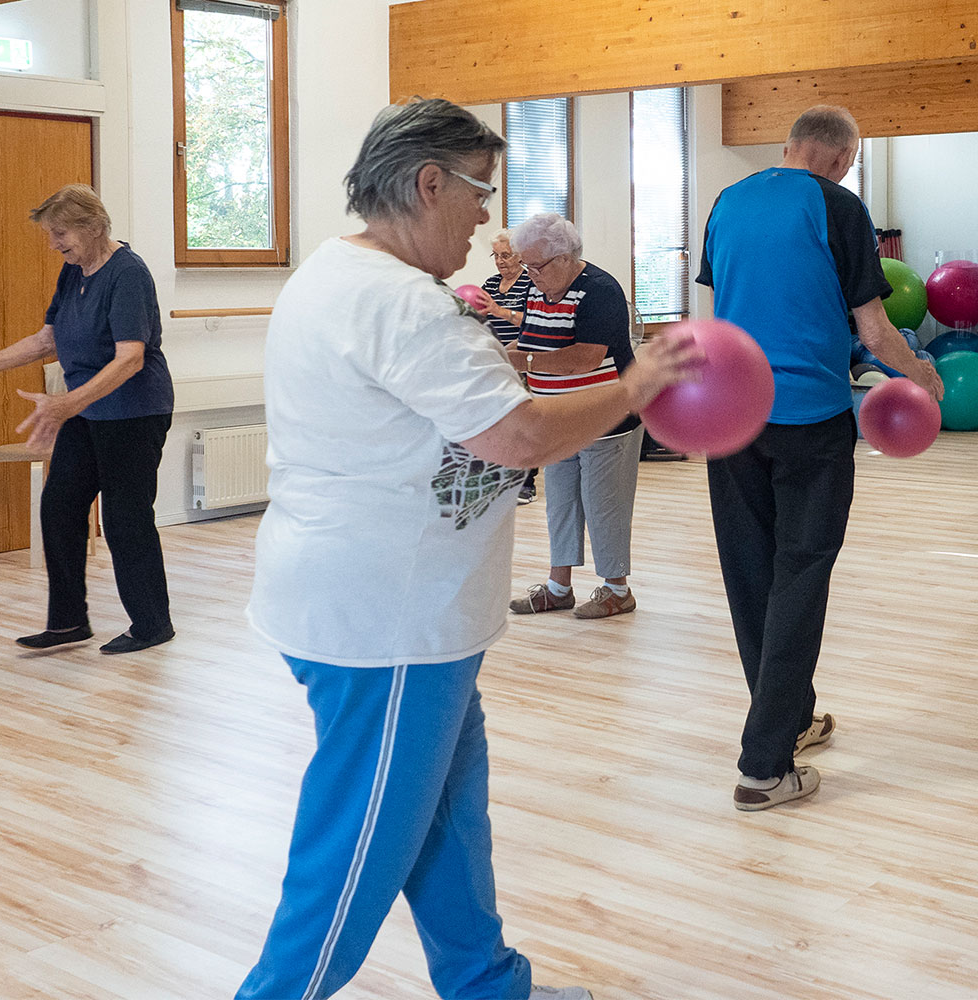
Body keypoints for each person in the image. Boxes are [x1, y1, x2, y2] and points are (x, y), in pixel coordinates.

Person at [237, 98, 703, 1000]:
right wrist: (637, 384)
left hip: (413, 617)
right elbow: (519, 435)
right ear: (428, 183)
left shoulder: (342, 275)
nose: (488, 214)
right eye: (480, 191)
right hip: (388, 625)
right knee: (357, 852)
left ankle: (490, 986)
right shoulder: (395, 302)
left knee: (449, 821)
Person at [696, 105, 943, 811]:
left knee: (753, 576)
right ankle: (764, 766)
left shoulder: (727, 202)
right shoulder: (840, 206)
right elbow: (872, 325)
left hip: (733, 418)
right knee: (801, 578)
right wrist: (917, 375)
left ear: (788, 146)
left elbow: (716, 315)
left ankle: (791, 720)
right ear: (841, 157)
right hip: (811, 421)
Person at [0, 183, 175, 655]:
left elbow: (130, 358)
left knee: (125, 517)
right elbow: (47, 340)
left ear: (93, 227)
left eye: (60, 233)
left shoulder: (128, 273)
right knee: (60, 505)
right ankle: (68, 623)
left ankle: (152, 624)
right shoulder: (74, 271)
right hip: (87, 410)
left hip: (134, 411)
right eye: (51, 234)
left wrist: (66, 403)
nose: (53, 244)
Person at [506, 213, 645, 620]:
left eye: (537, 265)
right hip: (556, 418)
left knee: (604, 504)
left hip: (607, 419)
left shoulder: (599, 290)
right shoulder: (537, 290)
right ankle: (558, 586)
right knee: (561, 503)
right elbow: (532, 342)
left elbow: (583, 359)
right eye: (526, 265)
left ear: (565, 258)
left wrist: (518, 359)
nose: (530, 274)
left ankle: (617, 588)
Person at [475, 229, 538, 503]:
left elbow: (534, 323)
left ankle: (527, 482)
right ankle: (503, 479)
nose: (500, 261)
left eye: (506, 255)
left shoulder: (531, 284)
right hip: (496, 362)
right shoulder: (490, 285)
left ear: (520, 256)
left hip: (523, 361)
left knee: (524, 423)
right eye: (496, 256)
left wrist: (501, 312)